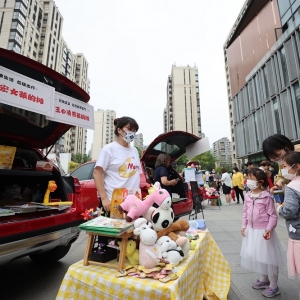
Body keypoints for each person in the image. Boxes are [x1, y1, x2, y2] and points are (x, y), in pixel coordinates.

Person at [240, 168, 286, 298]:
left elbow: (273, 215)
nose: (247, 181)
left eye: (251, 179)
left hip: (264, 232)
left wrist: (269, 228)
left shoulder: (267, 197)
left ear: (260, 182)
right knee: (259, 257)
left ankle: (274, 286)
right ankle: (264, 279)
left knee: (270, 259)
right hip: (251, 231)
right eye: (247, 177)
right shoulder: (248, 195)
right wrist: (244, 225)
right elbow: (244, 212)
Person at [93, 116, 141, 214]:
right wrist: (104, 198)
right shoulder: (108, 149)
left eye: (134, 131)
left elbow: (137, 175)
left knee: (132, 228)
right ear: (119, 130)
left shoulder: (135, 151)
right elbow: (97, 173)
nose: (132, 133)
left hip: (133, 202)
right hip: (114, 201)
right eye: (129, 129)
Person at [276, 152, 300, 297]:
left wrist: (279, 207)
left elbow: (289, 211)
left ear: (296, 166)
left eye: (285, 167)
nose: (284, 170)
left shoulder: (293, 186)